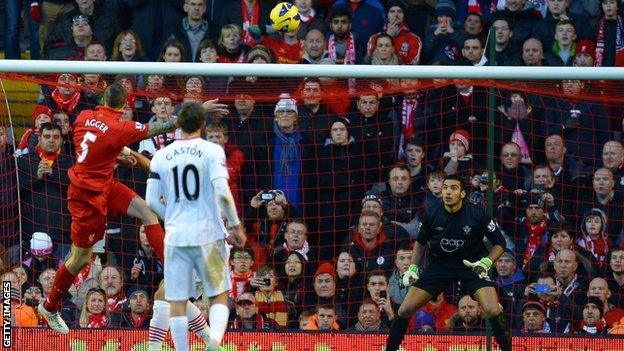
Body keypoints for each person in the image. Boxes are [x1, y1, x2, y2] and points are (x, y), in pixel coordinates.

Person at [37, 83, 179, 334]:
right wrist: (194, 112)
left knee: (148, 213)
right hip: (86, 197)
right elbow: (160, 126)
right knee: (80, 258)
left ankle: (173, 271)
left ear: (102, 99)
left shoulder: (83, 116)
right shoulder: (120, 127)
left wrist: (118, 152)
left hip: (106, 184)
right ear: (124, 106)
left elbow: (99, 142)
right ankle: (49, 307)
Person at [145, 101, 246, 351]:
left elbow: (150, 201)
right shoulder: (212, 151)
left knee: (172, 297)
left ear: (177, 124)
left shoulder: (161, 155)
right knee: (217, 295)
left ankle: (174, 347)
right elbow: (223, 192)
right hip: (210, 234)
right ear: (202, 124)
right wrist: (236, 225)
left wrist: (170, 217)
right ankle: (213, 340)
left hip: (178, 234)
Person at [384, 174, 511, 351]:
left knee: (492, 309)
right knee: (405, 310)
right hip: (439, 266)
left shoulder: (477, 214)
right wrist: (413, 267)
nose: (448, 192)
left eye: (453, 188)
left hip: (472, 266)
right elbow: (420, 242)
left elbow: (500, 243)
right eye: (445, 188)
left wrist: (487, 262)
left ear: (463, 193)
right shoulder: (431, 213)